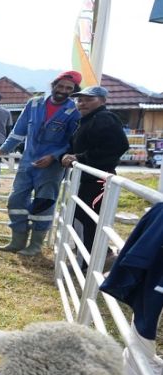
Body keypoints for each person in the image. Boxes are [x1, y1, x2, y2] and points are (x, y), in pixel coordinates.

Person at [0, 70, 82, 256]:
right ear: (53, 85)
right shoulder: (34, 104)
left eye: (68, 88)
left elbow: (72, 141)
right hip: (28, 161)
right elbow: (19, 130)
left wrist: (54, 157)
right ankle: (17, 241)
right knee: (16, 199)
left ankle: (35, 245)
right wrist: (4, 149)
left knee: (44, 203)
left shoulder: (75, 111)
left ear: (74, 90)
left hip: (52, 167)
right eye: (60, 86)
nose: (63, 90)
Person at [60, 85, 129, 267]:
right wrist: (70, 155)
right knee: (83, 218)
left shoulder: (105, 118)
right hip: (86, 178)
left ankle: (87, 263)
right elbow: (79, 146)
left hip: (98, 179)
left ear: (103, 101)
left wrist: (80, 157)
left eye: (89, 99)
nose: (82, 103)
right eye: (80, 100)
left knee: (87, 219)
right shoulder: (87, 120)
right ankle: (98, 256)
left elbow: (118, 146)